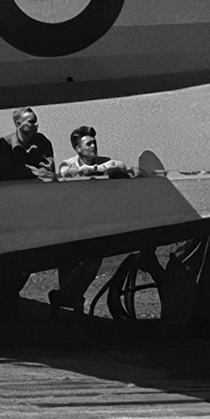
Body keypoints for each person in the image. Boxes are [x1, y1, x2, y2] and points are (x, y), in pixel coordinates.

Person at [51, 126, 134, 315]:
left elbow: (121, 166)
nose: (93, 146)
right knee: (67, 266)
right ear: (78, 149)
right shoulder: (68, 164)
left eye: (94, 143)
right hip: (71, 223)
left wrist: (96, 168)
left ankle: (64, 299)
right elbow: (68, 173)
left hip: (94, 223)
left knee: (93, 261)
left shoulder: (103, 162)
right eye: (88, 144)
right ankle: (69, 306)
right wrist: (92, 171)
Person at [0, 107, 56, 181]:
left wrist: (29, 171)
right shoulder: (3, 146)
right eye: (31, 121)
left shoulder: (42, 142)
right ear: (18, 124)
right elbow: (5, 176)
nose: (36, 124)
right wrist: (35, 172)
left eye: (36, 121)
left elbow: (49, 174)